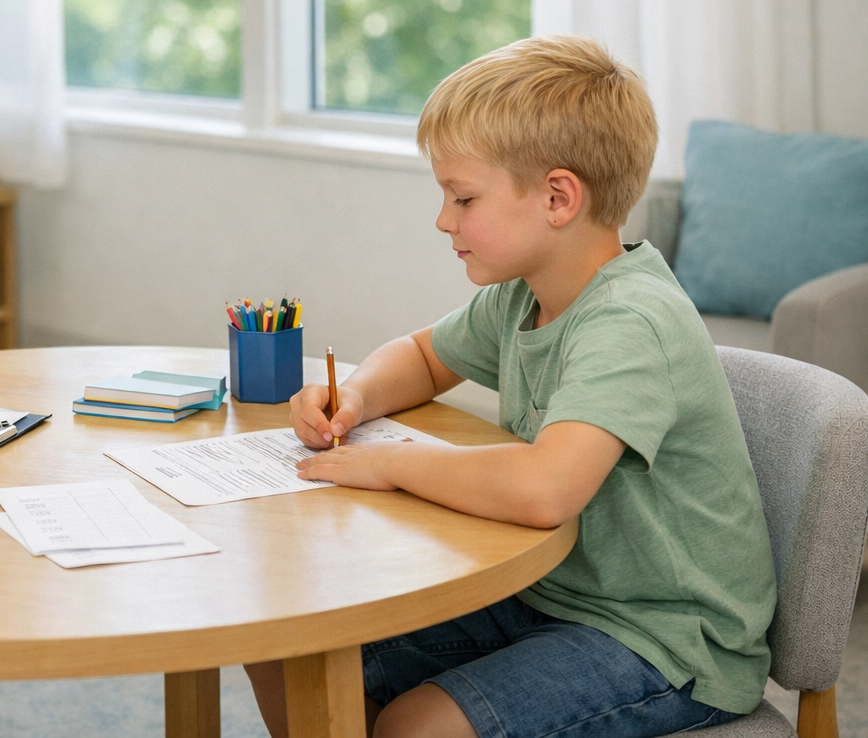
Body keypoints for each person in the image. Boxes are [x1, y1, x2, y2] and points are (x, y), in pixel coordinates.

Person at [246, 36, 776, 738]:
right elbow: (423, 356)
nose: (443, 220)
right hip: (548, 591)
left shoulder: (631, 321)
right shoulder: (523, 293)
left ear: (558, 197)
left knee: (415, 726)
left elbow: (543, 489)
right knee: (285, 638)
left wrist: (393, 463)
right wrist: (360, 397)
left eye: (462, 197)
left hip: (662, 636)